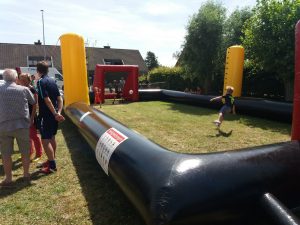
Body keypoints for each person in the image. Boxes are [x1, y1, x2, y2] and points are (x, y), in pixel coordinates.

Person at [0, 69, 36, 186]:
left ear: (4, 78)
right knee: (25, 152)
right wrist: (31, 117)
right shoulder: (24, 89)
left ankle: (8, 178)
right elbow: (33, 102)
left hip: (4, 126)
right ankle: (26, 174)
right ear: (16, 78)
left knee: (6, 154)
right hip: (22, 125)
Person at [36, 61, 65, 174]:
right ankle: (50, 160)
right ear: (48, 70)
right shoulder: (53, 81)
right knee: (52, 137)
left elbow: (47, 100)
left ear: (38, 70)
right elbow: (60, 99)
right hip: (54, 116)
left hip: (47, 115)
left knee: (45, 140)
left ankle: (52, 165)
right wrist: (58, 112)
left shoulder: (40, 82)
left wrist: (55, 113)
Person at [18, 73, 43, 161]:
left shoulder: (32, 90)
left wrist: (32, 118)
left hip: (30, 115)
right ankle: (29, 152)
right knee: (26, 136)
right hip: (23, 116)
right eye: (21, 80)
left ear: (29, 80)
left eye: (24, 80)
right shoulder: (20, 89)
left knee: (34, 135)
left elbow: (35, 105)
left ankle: (39, 153)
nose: (22, 81)